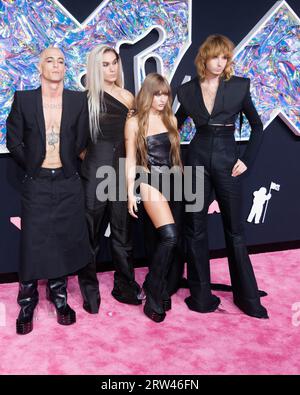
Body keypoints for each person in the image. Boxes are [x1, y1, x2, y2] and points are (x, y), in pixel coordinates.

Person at [176, 34, 268, 319]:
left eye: (225, 57)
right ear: (204, 58)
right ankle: (200, 295)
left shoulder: (239, 87)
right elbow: (172, 127)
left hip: (228, 159)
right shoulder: (187, 90)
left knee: (235, 230)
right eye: (215, 57)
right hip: (197, 159)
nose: (220, 62)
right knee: (194, 228)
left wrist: (246, 160)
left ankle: (247, 297)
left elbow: (257, 126)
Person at [6, 47, 91, 334]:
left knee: (63, 239)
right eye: (50, 61)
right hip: (37, 181)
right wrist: (31, 165)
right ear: (40, 67)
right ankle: (26, 302)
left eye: (61, 61)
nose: (56, 65)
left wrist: (67, 163)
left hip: (68, 180)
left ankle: (59, 297)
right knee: (32, 241)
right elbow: (14, 138)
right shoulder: (25, 99)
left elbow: (82, 138)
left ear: (66, 68)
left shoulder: (78, 100)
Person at [78, 45, 141, 313]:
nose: (112, 68)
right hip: (95, 173)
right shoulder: (86, 99)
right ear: (95, 68)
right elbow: (77, 144)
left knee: (122, 233)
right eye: (104, 64)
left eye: (114, 62)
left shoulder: (128, 97)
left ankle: (124, 285)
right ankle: (89, 292)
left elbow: (134, 138)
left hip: (122, 170)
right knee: (90, 236)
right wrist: (93, 160)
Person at [125, 73, 182, 322]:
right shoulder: (135, 122)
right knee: (169, 237)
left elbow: (175, 157)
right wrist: (129, 193)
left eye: (165, 93)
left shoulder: (171, 117)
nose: (162, 99)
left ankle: (159, 288)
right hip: (149, 182)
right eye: (157, 93)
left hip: (174, 183)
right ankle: (152, 285)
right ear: (147, 94)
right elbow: (129, 160)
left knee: (164, 239)